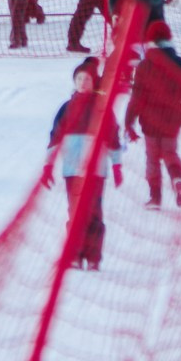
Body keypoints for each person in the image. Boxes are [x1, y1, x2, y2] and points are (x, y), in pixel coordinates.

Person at [46, 60, 124, 268]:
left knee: (94, 213)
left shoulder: (102, 109)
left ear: (93, 82)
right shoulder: (66, 108)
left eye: (87, 79)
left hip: (96, 171)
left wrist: (117, 166)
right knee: (75, 212)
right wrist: (47, 167)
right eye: (79, 78)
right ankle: (75, 255)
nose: (82, 82)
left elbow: (114, 139)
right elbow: (54, 138)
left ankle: (93, 257)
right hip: (71, 170)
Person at [125, 20, 181, 208]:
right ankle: (177, 180)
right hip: (172, 120)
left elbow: (137, 97)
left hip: (149, 121)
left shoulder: (143, 66)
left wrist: (128, 122)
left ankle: (155, 197)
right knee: (170, 153)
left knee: (152, 158)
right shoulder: (180, 64)